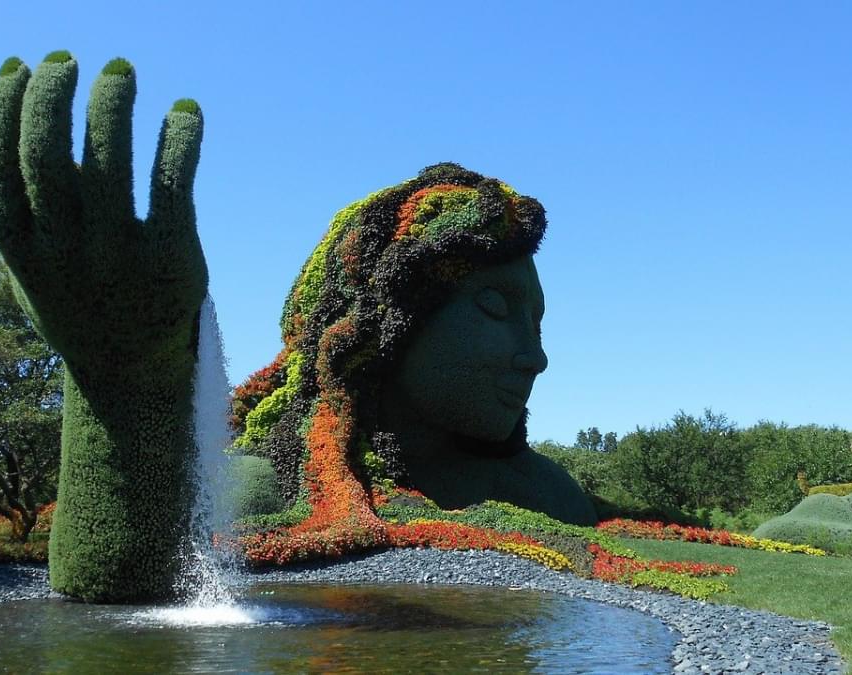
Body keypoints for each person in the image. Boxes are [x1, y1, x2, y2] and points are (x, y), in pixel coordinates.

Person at [232, 163, 596, 562]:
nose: (535, 358)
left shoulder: (548, 494)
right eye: (494, 306)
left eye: (536, 325)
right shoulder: (246, 490)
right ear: (382, 322)